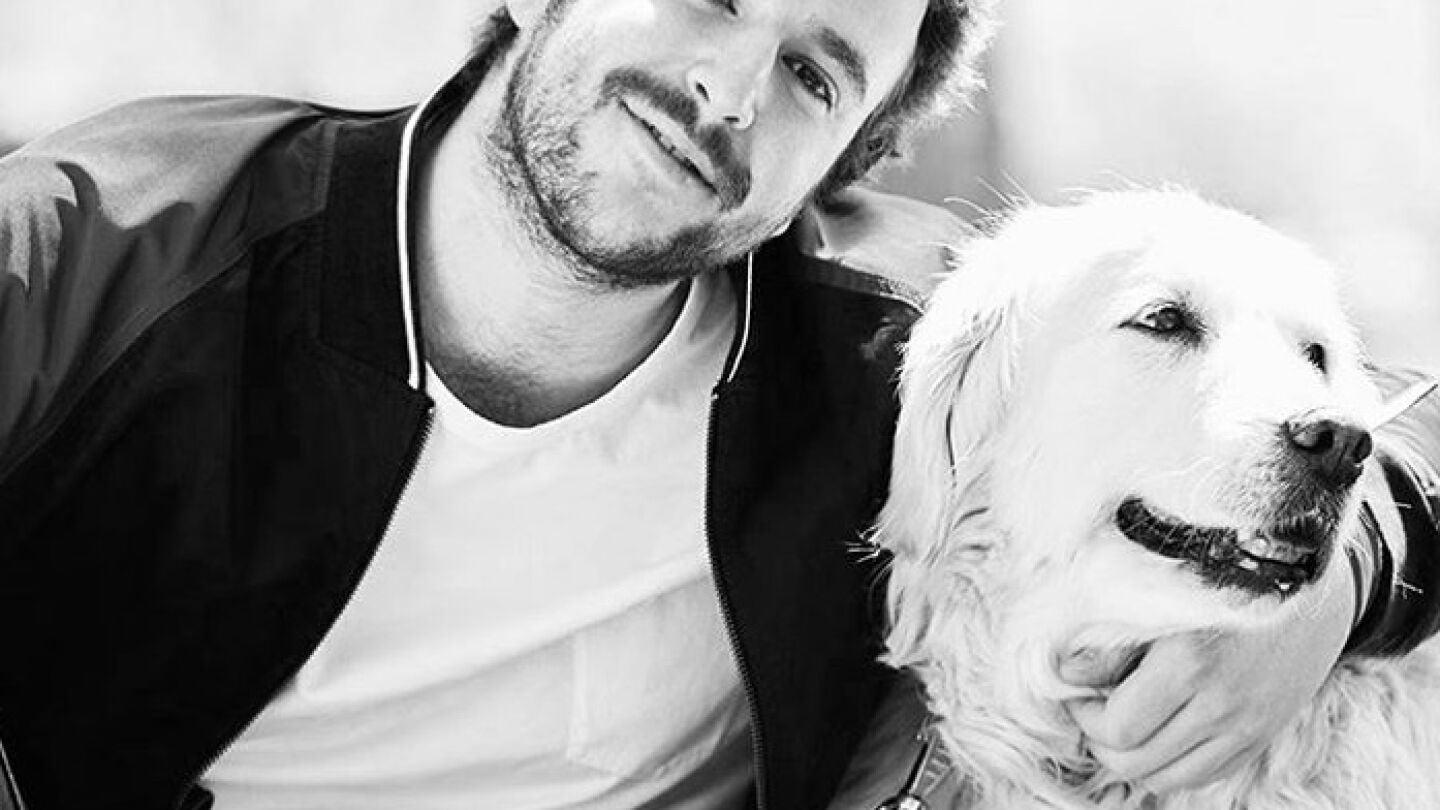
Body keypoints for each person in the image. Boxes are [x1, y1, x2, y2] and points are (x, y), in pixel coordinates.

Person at [0, 0, 1436, 808]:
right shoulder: (94, 253)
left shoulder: (905, 346)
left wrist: (1328, 586)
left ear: (845, 163)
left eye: (813, 74)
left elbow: (1360, 434)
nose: (731, 87)